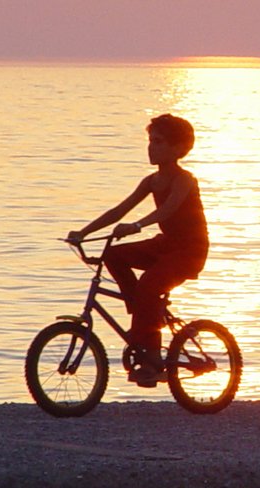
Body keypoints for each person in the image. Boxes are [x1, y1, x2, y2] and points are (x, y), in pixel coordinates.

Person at [67, 114, 209, 387]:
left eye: (158, 142)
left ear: (178, 149)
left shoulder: (184, 180)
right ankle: (143, 320)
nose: (150, 147)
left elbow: (168, 209)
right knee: (114, 255)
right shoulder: (151, 181)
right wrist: (83, 233)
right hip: (166, 245)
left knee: (148, 285)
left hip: (190, 250)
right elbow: (119, 210)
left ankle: (153, 358)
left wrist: (137, 225)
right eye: (150, 141)